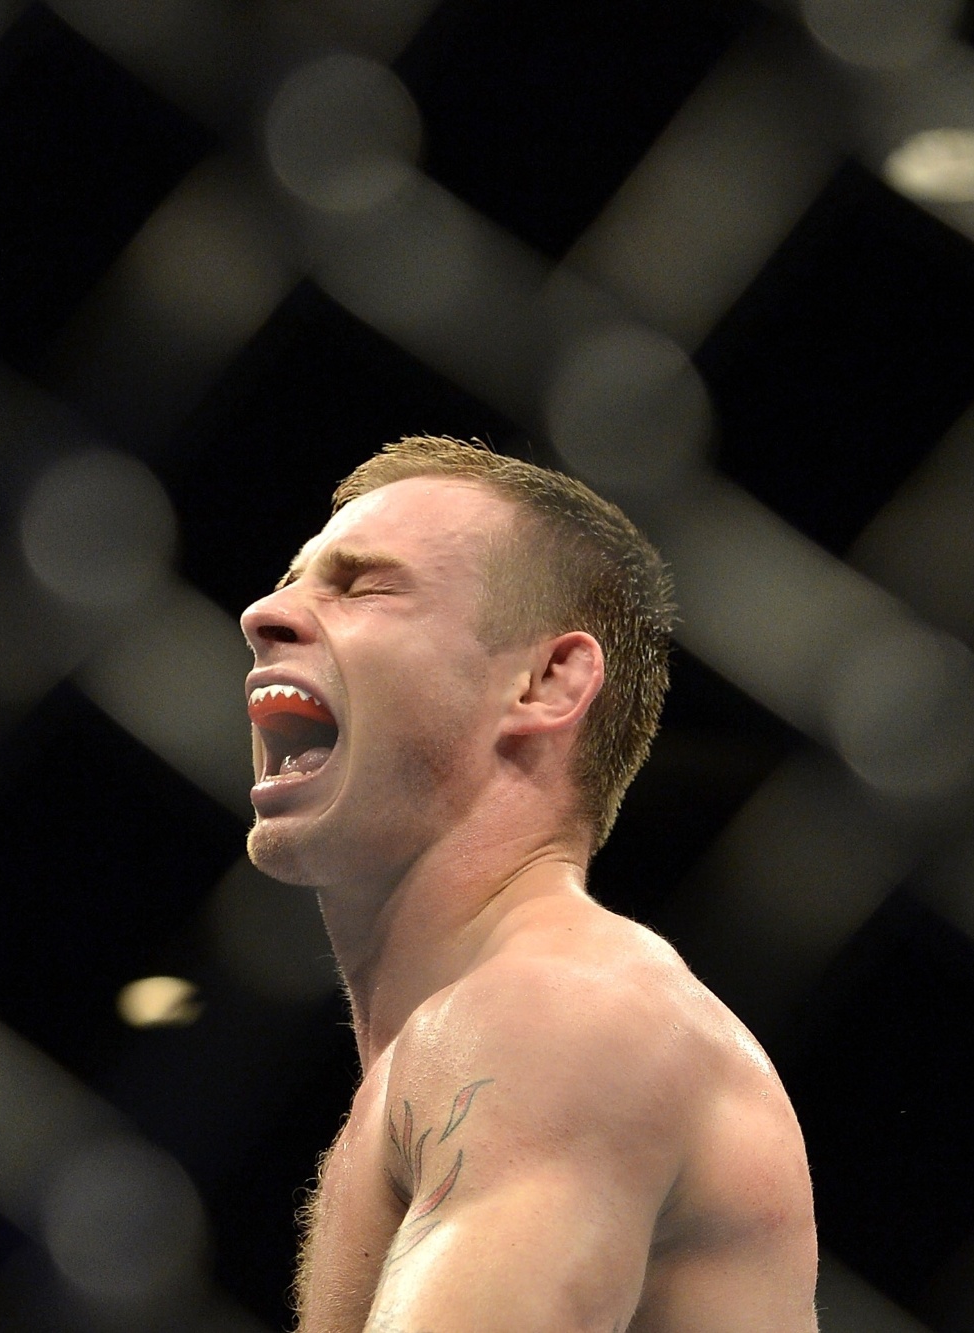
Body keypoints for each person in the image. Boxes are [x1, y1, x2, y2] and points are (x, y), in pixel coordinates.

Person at [240, 436, 817, 1332]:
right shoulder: (453, 1046)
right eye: (293, 577)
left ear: (546, 683)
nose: (263, 613)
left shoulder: (552, 1010)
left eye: (362, 584)